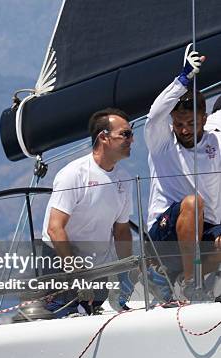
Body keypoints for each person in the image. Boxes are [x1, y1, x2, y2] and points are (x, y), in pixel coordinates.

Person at [41, 108, 134, 316]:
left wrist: (127, 272)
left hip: (97, 267)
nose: (131, 140)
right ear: (104, 137)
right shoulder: (73, 174)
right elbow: (55, 228)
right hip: (61, 263)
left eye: (131, 133)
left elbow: (121, 231)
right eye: (125, 134)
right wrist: (76, 273)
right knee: (65, 321)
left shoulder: (124, 179)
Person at [144, 48, 221, 299]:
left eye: (192, 123)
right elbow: (155, 113)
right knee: (193, 203)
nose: (185, 130)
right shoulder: (162, 144)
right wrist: (183, 79)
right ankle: (191, 284)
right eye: (179, 124)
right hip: (163, 235)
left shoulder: (216, 141)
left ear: (205, 119)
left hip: (202, 235)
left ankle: (176, 277)